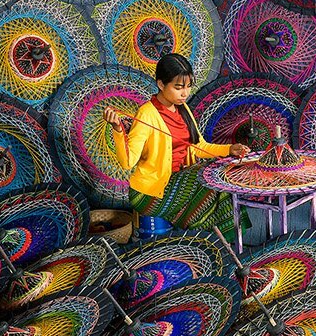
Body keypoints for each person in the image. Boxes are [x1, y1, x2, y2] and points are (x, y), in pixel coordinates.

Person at [105, 53, 250, 232]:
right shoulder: (147, 114)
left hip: (180, 182)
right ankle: (213, 242)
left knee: (221, 180)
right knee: (208, 174)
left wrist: (230, 149)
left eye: (188, 86)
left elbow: (199, 147)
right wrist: (118, 130)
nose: (185, 93)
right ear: (161, 84)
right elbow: (127, 163)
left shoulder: (183, 108)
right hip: (150, 193)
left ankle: (226, 243)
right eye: (179, 87)